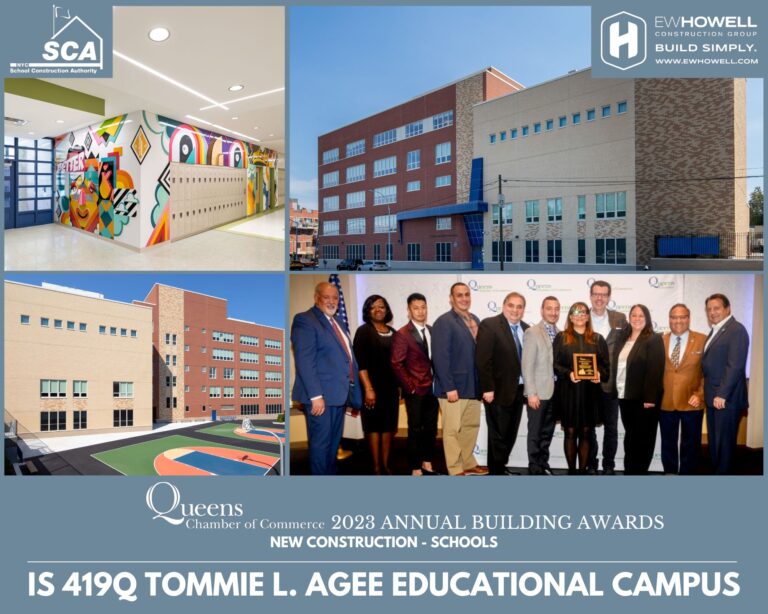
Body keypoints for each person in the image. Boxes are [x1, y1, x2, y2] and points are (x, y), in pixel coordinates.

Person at [291, 282, 362, 475]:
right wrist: (316, 396)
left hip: (338, 396)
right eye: (326, 297)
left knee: (332, 444)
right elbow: (305, 361)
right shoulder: (305, 320)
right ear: (316, 298)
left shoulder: (336, 322)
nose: (332, 301)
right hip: (321, 398)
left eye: (335, 298)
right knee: (321, 446)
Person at [432, 282, 488, 476]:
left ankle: (468, 463)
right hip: (453, 388)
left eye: (467, 294)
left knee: (471, 427)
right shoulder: (444, 322)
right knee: (452, 430)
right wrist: (448, 387)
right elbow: (440, 357)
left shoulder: (476, 320)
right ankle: (455, 468)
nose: (464, 298)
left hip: (473, 386)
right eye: (459, 295)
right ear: (451, 298)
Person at [553, 302, 609, 475]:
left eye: (583, 312)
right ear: (570, 317)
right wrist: (569, 373)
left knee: (586, 432)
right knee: (570, 432)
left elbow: (606, 367)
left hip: (589, 393)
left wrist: (598, 375)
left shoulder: (598, 339)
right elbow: (554, 364)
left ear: (587, 316)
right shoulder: (561, 337)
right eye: (575, 313)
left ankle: (583, 472)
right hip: (568, 391)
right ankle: (571, 472)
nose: (580, 315)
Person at [476, 292, 529, 476]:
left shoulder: (526, 328)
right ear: (504, 305)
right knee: (498, 435)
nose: (515, 310)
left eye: (519, 306)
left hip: (519, 390)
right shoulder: (490, 325)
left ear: (523, 310)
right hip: (497, 391)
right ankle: (496, 472)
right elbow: (483, 360)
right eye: (511, 305)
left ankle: (498, 468)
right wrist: (487, 388)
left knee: (510, 434)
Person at [390, 293, 440, 476]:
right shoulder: (402, 334)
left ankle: (427, 461)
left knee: (431, 428)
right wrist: (410, 386)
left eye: (423, 307)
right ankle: (414, 466)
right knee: (415, 429)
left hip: (433, 389)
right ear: (409, 310)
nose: (420, 311)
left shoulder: (432, 330)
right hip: (415, 390)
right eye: (416, 308)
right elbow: (396, 363)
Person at [701, 293, 750, 475]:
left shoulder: (736, 330)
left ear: (727, 309)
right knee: (715, 441)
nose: (712, 312)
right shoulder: (716, 330)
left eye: (717, 308)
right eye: (709, 309)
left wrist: (722, 394)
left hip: (725, 399)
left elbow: (735, 366)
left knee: (725, 443)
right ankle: (717, 471)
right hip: (713, 397)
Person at [613, 304, 665, 475]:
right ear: (629, 318)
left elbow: (655, 370)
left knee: (644, 439)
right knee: (630, 437)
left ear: (647, 318)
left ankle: (639, 472)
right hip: (625, 397)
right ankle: (630, 471)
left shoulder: (653, 338)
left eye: (641, 315)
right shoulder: (623, 338)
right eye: (633, 315)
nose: (637, 318)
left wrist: (650, 398)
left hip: (644, 400)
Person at [353, 295, 400, 475]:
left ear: (387, 310)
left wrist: (400, 385)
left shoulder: (394, 332)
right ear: (368, 311)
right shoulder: (364, 331)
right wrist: (369, 389)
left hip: (391, 389)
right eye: (373, 307)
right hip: (371, 388)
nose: (378, 309)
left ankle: (386, 465)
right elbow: (360, 363)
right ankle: (376, 467)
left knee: (389, 427)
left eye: (381, 306)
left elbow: (397, 363)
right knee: (373, 427)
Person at [660, 304, 706, 475]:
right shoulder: (660, 340)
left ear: (688, 318)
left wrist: (700, 394)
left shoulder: (703, 339)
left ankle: (688, 475)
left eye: (682, 316)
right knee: (668, 442)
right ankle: (670, 473)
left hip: (692, 401)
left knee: (691, 443)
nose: (678, 320)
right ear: (669, 319)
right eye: (674, 317)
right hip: (666, 401)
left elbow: (709, 372)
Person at [588, 280, 627, 475]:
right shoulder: (580, 316)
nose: (599, 298)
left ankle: (608, 464)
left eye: (604, 294)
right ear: (590, 295)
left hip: (610, 383)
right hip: (585, 384)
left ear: (609, 297)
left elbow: (631, 344)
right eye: (596, 294)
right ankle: (591, 462)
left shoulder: (620, 319)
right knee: (588, 427)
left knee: (611, 427)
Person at [521, 296, 560, 475]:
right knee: (535, 432)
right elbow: (527, 365)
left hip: (555, 393)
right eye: (549, 308)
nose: (553, 312)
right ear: (542, 310)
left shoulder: (560, 333)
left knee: (547, 432)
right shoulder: (532, 332)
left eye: (556, 309)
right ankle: (534, 467)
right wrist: (531, 393)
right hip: (538, 393)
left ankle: (543, 463)